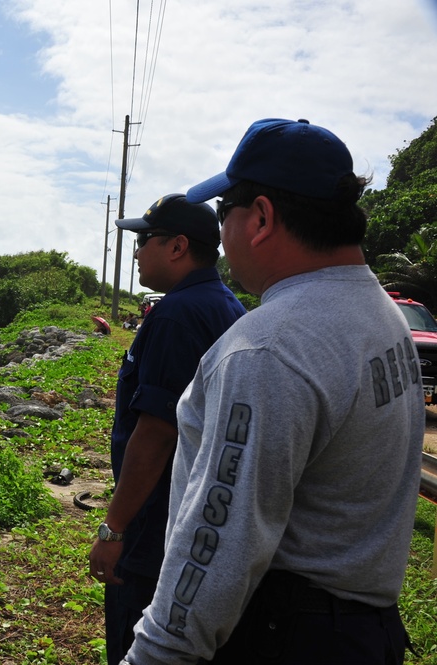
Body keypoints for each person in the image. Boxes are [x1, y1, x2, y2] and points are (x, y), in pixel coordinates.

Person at [120, 119, 423, 665]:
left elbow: (217, 540)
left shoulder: (270, 348)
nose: (223, 234)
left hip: (284, 633)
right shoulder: (381, 315)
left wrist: (154, 653)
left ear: (259, 218)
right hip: (364, 631)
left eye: (224, 214)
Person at [89, 194, 246, 665]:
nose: (136, 251)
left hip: (156, 518)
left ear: (177, 247)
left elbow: (157, 433)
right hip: (194, 511)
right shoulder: (224, 305)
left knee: (136, 635)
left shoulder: (177, 315)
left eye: (143, 240)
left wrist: (114, 529)